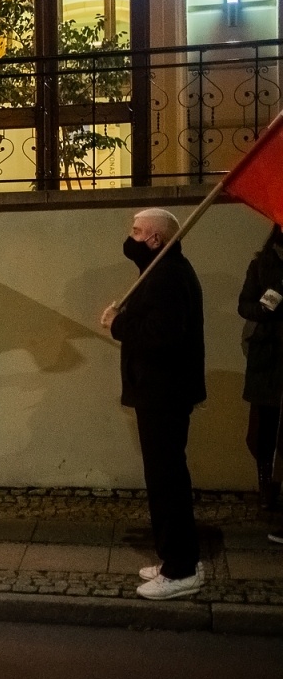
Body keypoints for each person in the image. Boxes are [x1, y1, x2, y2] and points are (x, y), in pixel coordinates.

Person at [99, 208, 206, 600]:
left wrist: (118, 324)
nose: (130, 236)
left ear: (156, 239)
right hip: (161, 393)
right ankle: (173, 558)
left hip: (164, 393)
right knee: (165, 478)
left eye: (136, 231)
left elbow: (162, 335)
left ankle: (181, 570)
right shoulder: (162, 271)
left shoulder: (166, 275)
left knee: (167, 482)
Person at [238, 225, 283, 514]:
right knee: (264, 427)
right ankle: (267, 487)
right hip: (268, 356)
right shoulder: (261, 265)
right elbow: (245, 305)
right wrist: (264, 311)